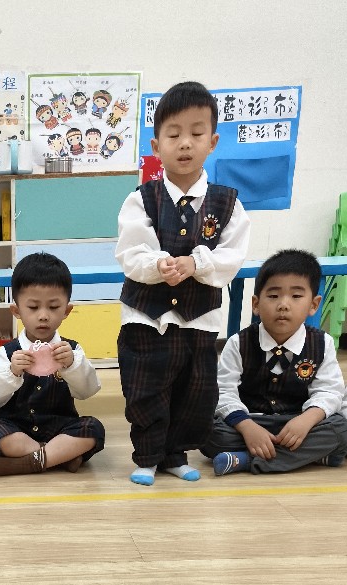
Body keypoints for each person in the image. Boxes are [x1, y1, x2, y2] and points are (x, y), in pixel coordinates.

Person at [115, 80, 250, 485]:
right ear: (157, 146)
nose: (185, 143)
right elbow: (131, 252)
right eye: (173, 135)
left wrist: (197, 264)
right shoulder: (141, 198)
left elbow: (232, 257)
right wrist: (159, 265)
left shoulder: (228, 203)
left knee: (194, 391)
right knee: (145, 388)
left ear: (213, 141)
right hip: (146, 317)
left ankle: (175, 454)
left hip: (199, 319)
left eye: (196, 133)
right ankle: (147, 456)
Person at [201, 250, 347, 474]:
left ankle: (246, 460)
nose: (283, 305)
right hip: (252, 421)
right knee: (207, 431)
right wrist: (247, 426)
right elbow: (223, 391)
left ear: (314, 304)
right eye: (273, 296)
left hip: (298, 423)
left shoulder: (322, 343)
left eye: (296, 296)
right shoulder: (238, 343)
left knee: (341, 430)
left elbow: (330, 392)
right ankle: (306, 456)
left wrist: (306, 420)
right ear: (256, 304)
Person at [0, 252, 104, 477]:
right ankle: (58, 457)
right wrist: (12, 372)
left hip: (60, 429)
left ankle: (27, 463)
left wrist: (72, 366)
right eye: (33, 307)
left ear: (66, 311)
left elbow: (88, 390)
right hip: (16, 429)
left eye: (53, 307)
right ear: (17, 311)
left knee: (93, 428)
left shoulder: (71, 350)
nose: (44, 316)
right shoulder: (8, 352)